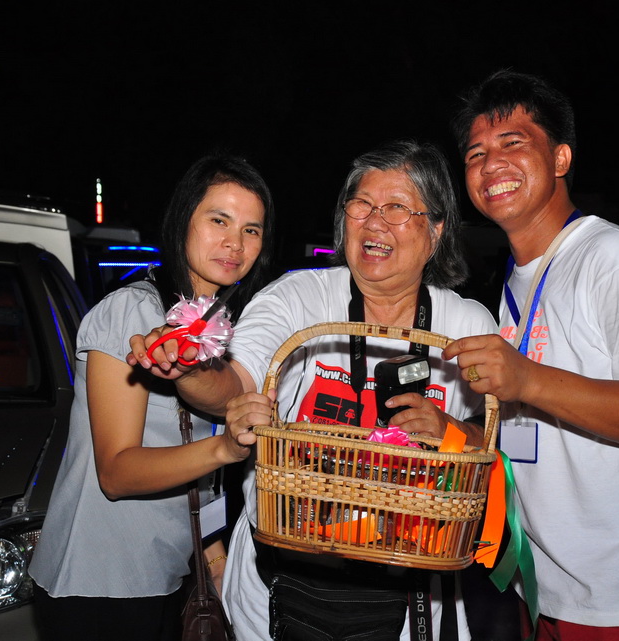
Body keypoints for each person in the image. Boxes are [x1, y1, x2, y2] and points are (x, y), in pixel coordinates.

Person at [129, 140, 498, 640]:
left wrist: (450, 430)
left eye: (396, 207)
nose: (374, 222)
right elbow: (236, 385)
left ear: (435, 230)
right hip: (276, 589)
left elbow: (493, 441)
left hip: (411, 596)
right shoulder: (298, 297)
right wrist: (188, 368)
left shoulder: (467, 324)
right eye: (361, 205)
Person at [442, 69, 619, 639]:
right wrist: (450, 431)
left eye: (513, 143)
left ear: (561, 157)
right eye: (475, 154)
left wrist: (527, 379)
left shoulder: (617, 258)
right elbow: (536, 432)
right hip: (543, 583)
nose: (491, 165)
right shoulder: (514, 280)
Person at [28, 153, 275, 641]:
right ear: (183, 221)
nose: (235, 242)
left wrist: (213, 557)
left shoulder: (218, 328)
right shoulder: (132, 312)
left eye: (251, 229)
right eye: (219, 220)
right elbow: (117, 473)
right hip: (98, 584)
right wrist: (226, 448)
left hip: (169, 573)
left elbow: (187, 458)